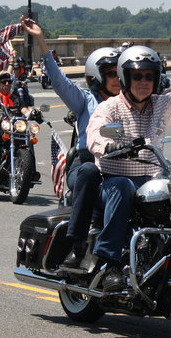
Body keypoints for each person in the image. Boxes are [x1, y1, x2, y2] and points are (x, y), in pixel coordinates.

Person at [86, 23, 171, 292]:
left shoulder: (162, 105)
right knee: (122, 187)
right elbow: (94, 133)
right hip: (112, 179)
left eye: (149, 77)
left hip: (151, 179)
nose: (143, 82)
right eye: (137, 76)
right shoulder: (110, 107)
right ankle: (111, 264)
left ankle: (170, 261)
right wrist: (106, 144)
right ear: (125, 77)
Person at [22, 16, 121, 268]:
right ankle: (75, 244)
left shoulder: (131, 104)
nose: (116, 78)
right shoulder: (85, 101)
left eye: (120, 73)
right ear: (97, 76)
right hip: (87, 163)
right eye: (110, 73)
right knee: (88, 172)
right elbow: (59, 82)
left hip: (121, 165)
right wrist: (41, 42)